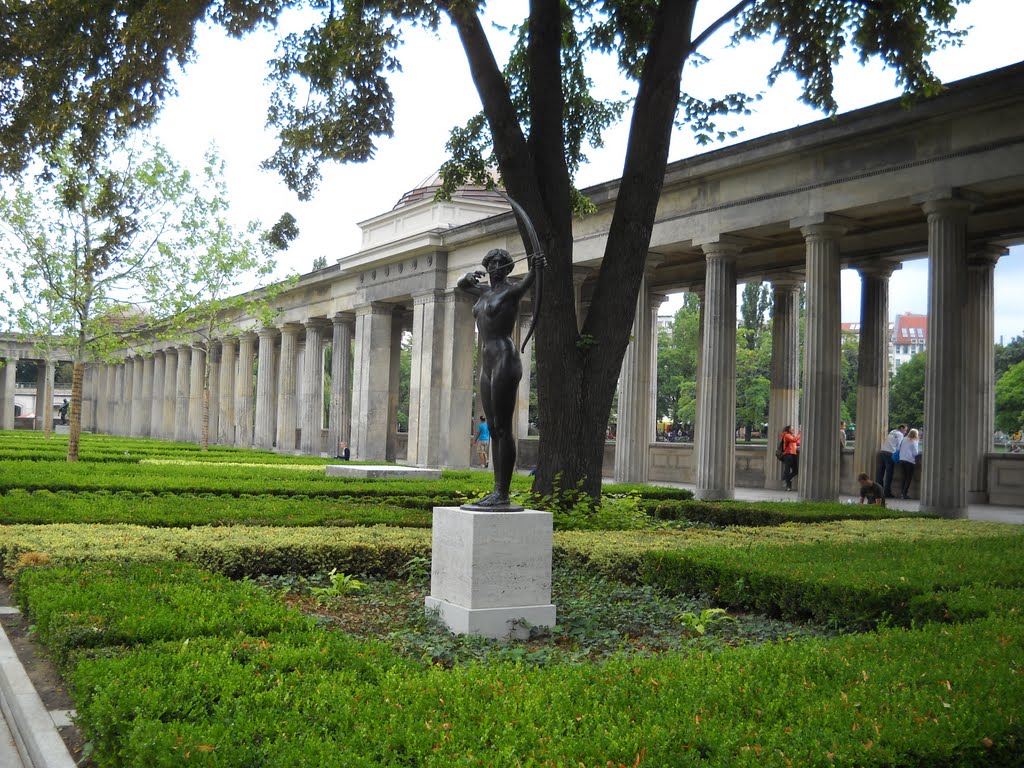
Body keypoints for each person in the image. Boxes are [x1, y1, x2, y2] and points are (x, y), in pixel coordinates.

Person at [458, 247, 545, 507]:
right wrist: (468, 275)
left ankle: (502, 492)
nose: (494, 266)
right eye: (490, 262)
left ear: (508, 268)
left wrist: (537, 265)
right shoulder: (484, 292)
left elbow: (533, 276)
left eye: (500, 263)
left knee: (504, 427)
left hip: (505, 359)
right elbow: (462, 285)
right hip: (486, 363)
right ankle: (497, 490)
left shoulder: (512, 290)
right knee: (494, 427)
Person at [875, 424, 908, 498]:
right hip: (889, 454)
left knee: (880, 474)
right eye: (905, 430)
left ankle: (878, 492)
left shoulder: (892, 431)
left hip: (882, 452)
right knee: (889, 474)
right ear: (901, 428)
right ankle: (887, 492)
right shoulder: (900, 434)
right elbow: (900, 446)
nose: (905, 432)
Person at [896, 428, 921, 499]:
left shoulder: (904, 439)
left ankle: (901, 493)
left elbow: (899, 448)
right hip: (909, 461)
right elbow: (915, 453)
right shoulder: (914, 441)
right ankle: (904, 494)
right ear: (916, 434)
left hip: (901, 459)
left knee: (903, 477)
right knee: (908, 478)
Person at [781, 424, 801, 491]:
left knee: (796, 471)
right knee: (787, 470)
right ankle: (787, 485)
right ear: (788, 429)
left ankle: (786, 479)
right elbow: (794, 440)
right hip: (788, 454)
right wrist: (800, 433)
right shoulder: (786, 435)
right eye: (791, 429)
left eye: (793, 429)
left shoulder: (791, 435)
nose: (793, 430)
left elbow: (797, 443)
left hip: (793, 454)